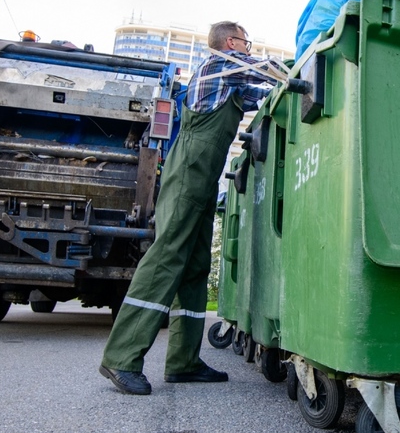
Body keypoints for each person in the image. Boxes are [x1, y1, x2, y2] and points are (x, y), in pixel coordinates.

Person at [99, 21, 282, 395]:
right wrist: (296, 69)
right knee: (165, 258)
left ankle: (183, 361)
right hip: (186, 179)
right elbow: (264, 72)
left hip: (202, 183)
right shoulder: (219, 64)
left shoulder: (229, 82)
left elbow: (258, 94)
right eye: (245, 42)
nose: (247, 48)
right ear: (232, 42)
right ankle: (121, 358)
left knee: (195, 266)